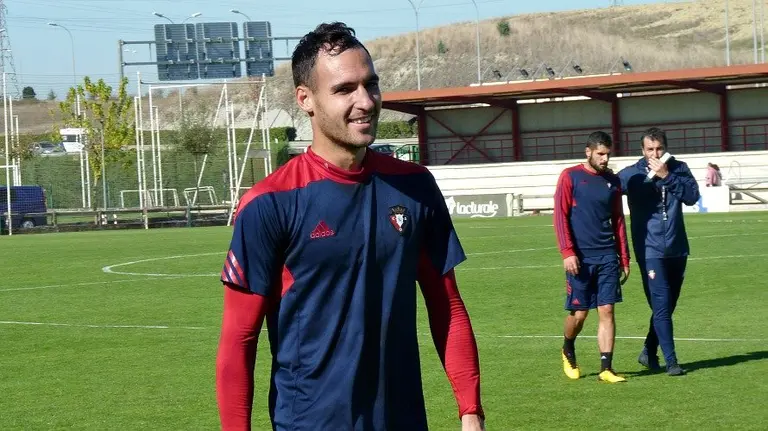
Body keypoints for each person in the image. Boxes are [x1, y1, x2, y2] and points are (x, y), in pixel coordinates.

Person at [215, 22, 485, 431]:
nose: (365, 101)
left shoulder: (415, 186)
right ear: (305, 99)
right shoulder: (270, 203)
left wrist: (470, 410)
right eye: (344, 89)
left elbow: (446, 304)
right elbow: (239, 340)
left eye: (370, 85)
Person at [618, 127, 701, 376]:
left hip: (677, 248)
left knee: (667, 305)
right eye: (650, 149)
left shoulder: (679, 168)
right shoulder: (630, 175)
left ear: (665, 147)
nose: (655, 153)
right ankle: (672, 362)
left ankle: (648, 350)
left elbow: (692, 197)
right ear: (642, 151)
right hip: (649, 249)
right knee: (662, 305)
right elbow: (606, 193)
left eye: (659, 148)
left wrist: (667, 176)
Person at [553, 131, 631, 383]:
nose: (605, 158)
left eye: (608, 154)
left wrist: (624, 257)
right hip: (580, 258)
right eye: (600, 154)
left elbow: (619, 220)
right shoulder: (571, 176)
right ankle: (567, 347)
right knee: (580, 314)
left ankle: (606, 368)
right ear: (588, 152)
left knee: (607, 310)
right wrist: (567, 252)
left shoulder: (613, 181)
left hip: (607, 255)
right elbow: (560, 216)